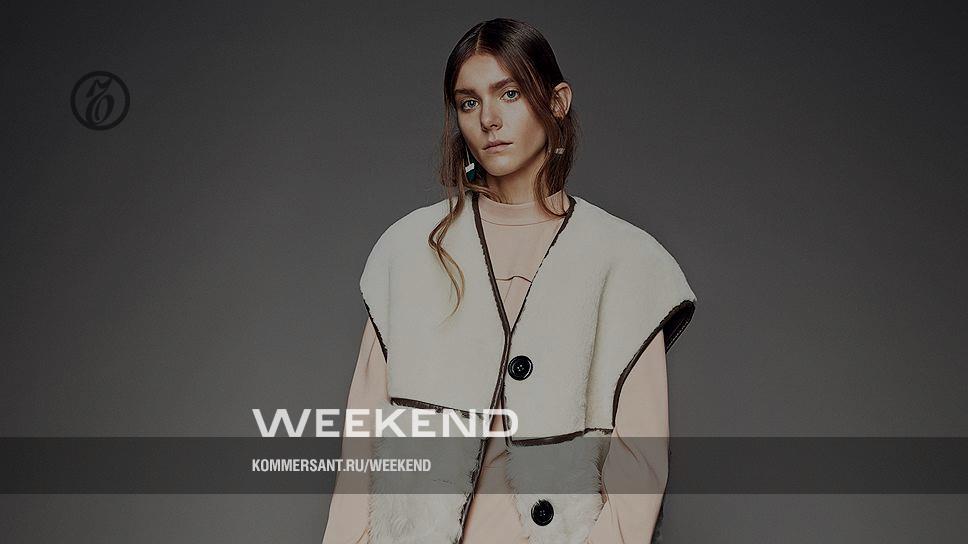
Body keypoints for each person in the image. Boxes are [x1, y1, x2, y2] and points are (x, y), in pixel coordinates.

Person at [322, 18, 696, 544]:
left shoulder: (627, 263)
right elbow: (362, 444)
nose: (489, 119)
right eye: (468, 102)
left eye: (510, 93)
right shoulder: (408, 250)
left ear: (557, 102)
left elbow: (640, 468)